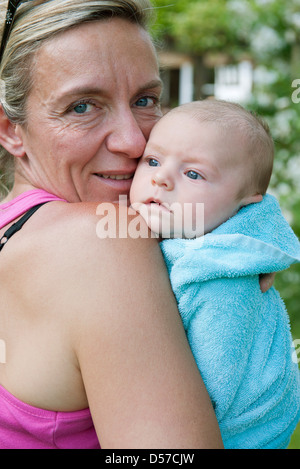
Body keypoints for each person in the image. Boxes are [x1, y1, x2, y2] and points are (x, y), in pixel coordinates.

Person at [0, 0, 227, 449]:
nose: (135, 140)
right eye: (82, 106)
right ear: (11, 131)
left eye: (145, 100)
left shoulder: (15, 232)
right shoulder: (102, 240)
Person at [130, 100, 300, 449]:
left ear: (244, 204)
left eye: (193, 174)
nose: (160, 178)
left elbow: (211, 390)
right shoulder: (186, 233)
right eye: (152, 161)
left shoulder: (220, 280)